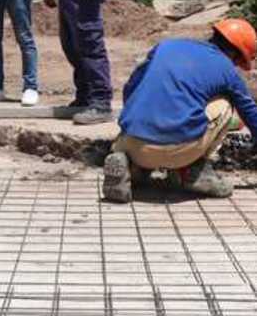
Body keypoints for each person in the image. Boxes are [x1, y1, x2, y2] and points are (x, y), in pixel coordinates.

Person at [103, 19, 257, 203]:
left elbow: (130, 88)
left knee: (144, 97)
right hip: (180, 153)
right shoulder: (227, 71)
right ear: (236, 55)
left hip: (131, 144)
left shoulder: (166, 46)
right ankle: (193, 171)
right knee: (225, 103)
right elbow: (250, 113)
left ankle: (132, 167)